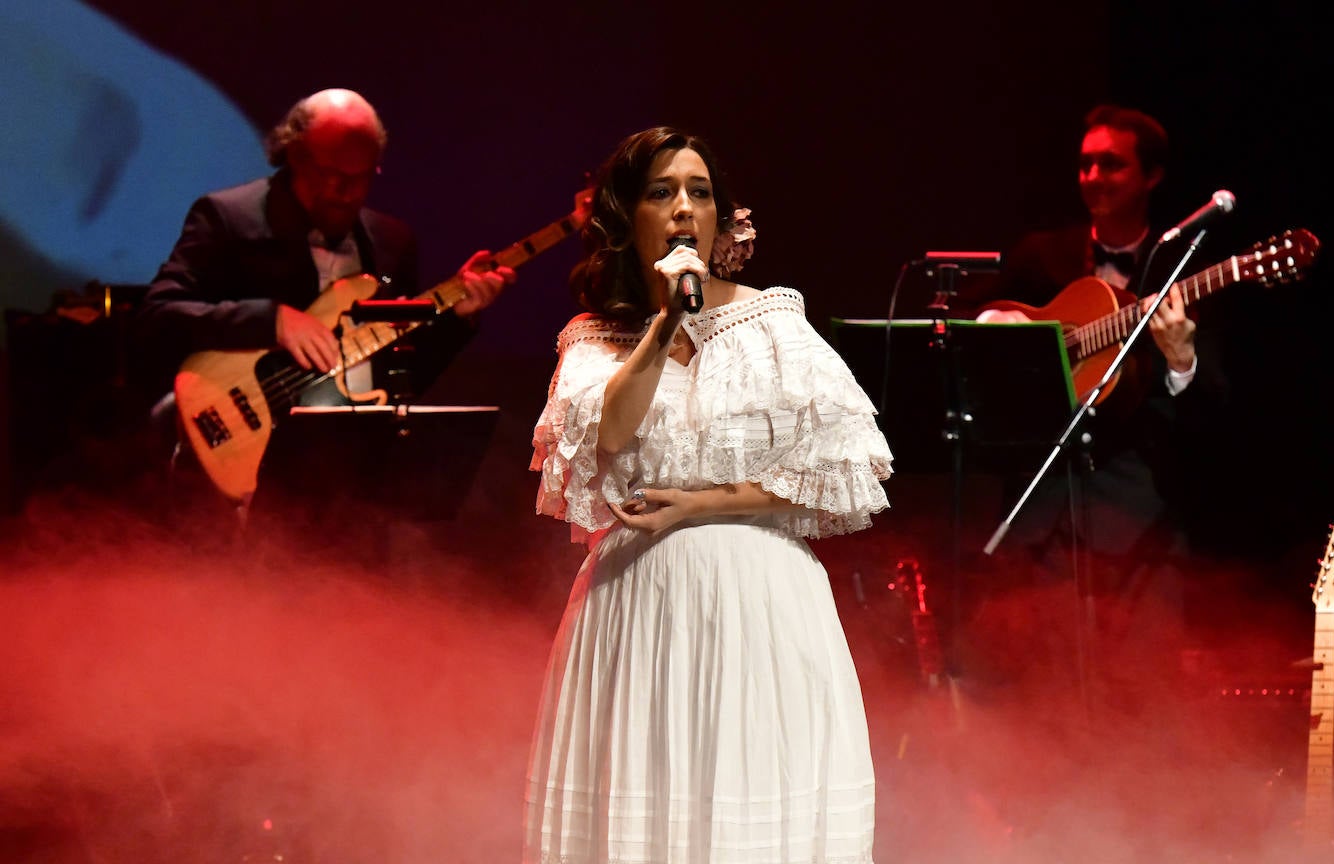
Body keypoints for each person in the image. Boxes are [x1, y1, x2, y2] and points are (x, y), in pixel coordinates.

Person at [524, 126, 894, 863]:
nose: (685, 208)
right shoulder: (593, 340)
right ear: (627, 218)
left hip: (759, 599)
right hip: (638, 605)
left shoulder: (776, 322)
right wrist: (666, 322)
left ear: (724, 218)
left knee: (751, 803)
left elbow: (839, 475)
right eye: (662, 193)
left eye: (700, 192)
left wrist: (703, 506)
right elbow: (609, 443)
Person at [132, 88, 515, 546]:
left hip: (344, 488)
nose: (345, 191)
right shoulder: (227, 218)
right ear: (292, 154)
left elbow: (398, 373)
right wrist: (270, 320)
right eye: (330, 174)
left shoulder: (391, 240)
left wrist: (458, 320)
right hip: (242, 476)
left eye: (361, 177)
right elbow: (157, 316)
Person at [966, 104, 1229, 705]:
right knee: (1033, 691)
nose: (1093, 177)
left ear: (1152, 176)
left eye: (1111, 164)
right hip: (1042, 506)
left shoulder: (1181, 267)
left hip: (1139, 518)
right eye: (1085, 164)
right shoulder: (1043, 257)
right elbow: (965, 321)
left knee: (1138, 694)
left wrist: (1181, 362)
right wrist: (999, 320)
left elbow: (1215, 407)